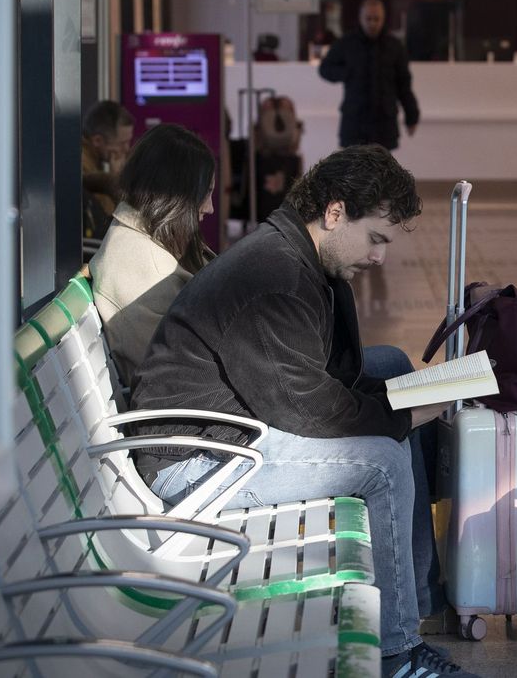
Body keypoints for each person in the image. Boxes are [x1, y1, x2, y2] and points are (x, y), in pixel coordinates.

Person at [130, 145, 474, 678]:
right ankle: (398, 654)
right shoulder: (277, 277)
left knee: (388, 365)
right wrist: (409, 413)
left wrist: (406, 394)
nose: (380, 257)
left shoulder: (305, 259)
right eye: (376, 239)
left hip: (232, 427)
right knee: (383, 462)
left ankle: (412, 600)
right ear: (335, 213)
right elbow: (314, 411)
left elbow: (336, 372)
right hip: (197, 463)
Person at [87, 123, 216, 388]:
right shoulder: (152, 269)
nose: (210, 208)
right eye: (207, 194)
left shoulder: (140, 241)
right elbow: (179, 378)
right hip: (190, 415)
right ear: (177, 195)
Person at [318, 0, 421, 150]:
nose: (372, 23)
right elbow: (325, 69)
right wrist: (347, 73)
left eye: (376, 19)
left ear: (383, 19)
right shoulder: (347, 43)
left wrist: (411, 117)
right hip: (355, 121)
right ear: (360, 18)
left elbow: (404, 85)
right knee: (352, 170)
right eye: (368, 19)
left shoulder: (394, 46)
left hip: (383, 123)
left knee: (381, 171)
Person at [82, 100, 134, 241]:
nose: (126, 149)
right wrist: (116, 178)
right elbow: (105, 217)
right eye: (122, 143)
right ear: (98, 141)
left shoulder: (92, 160)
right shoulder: (82, 163)